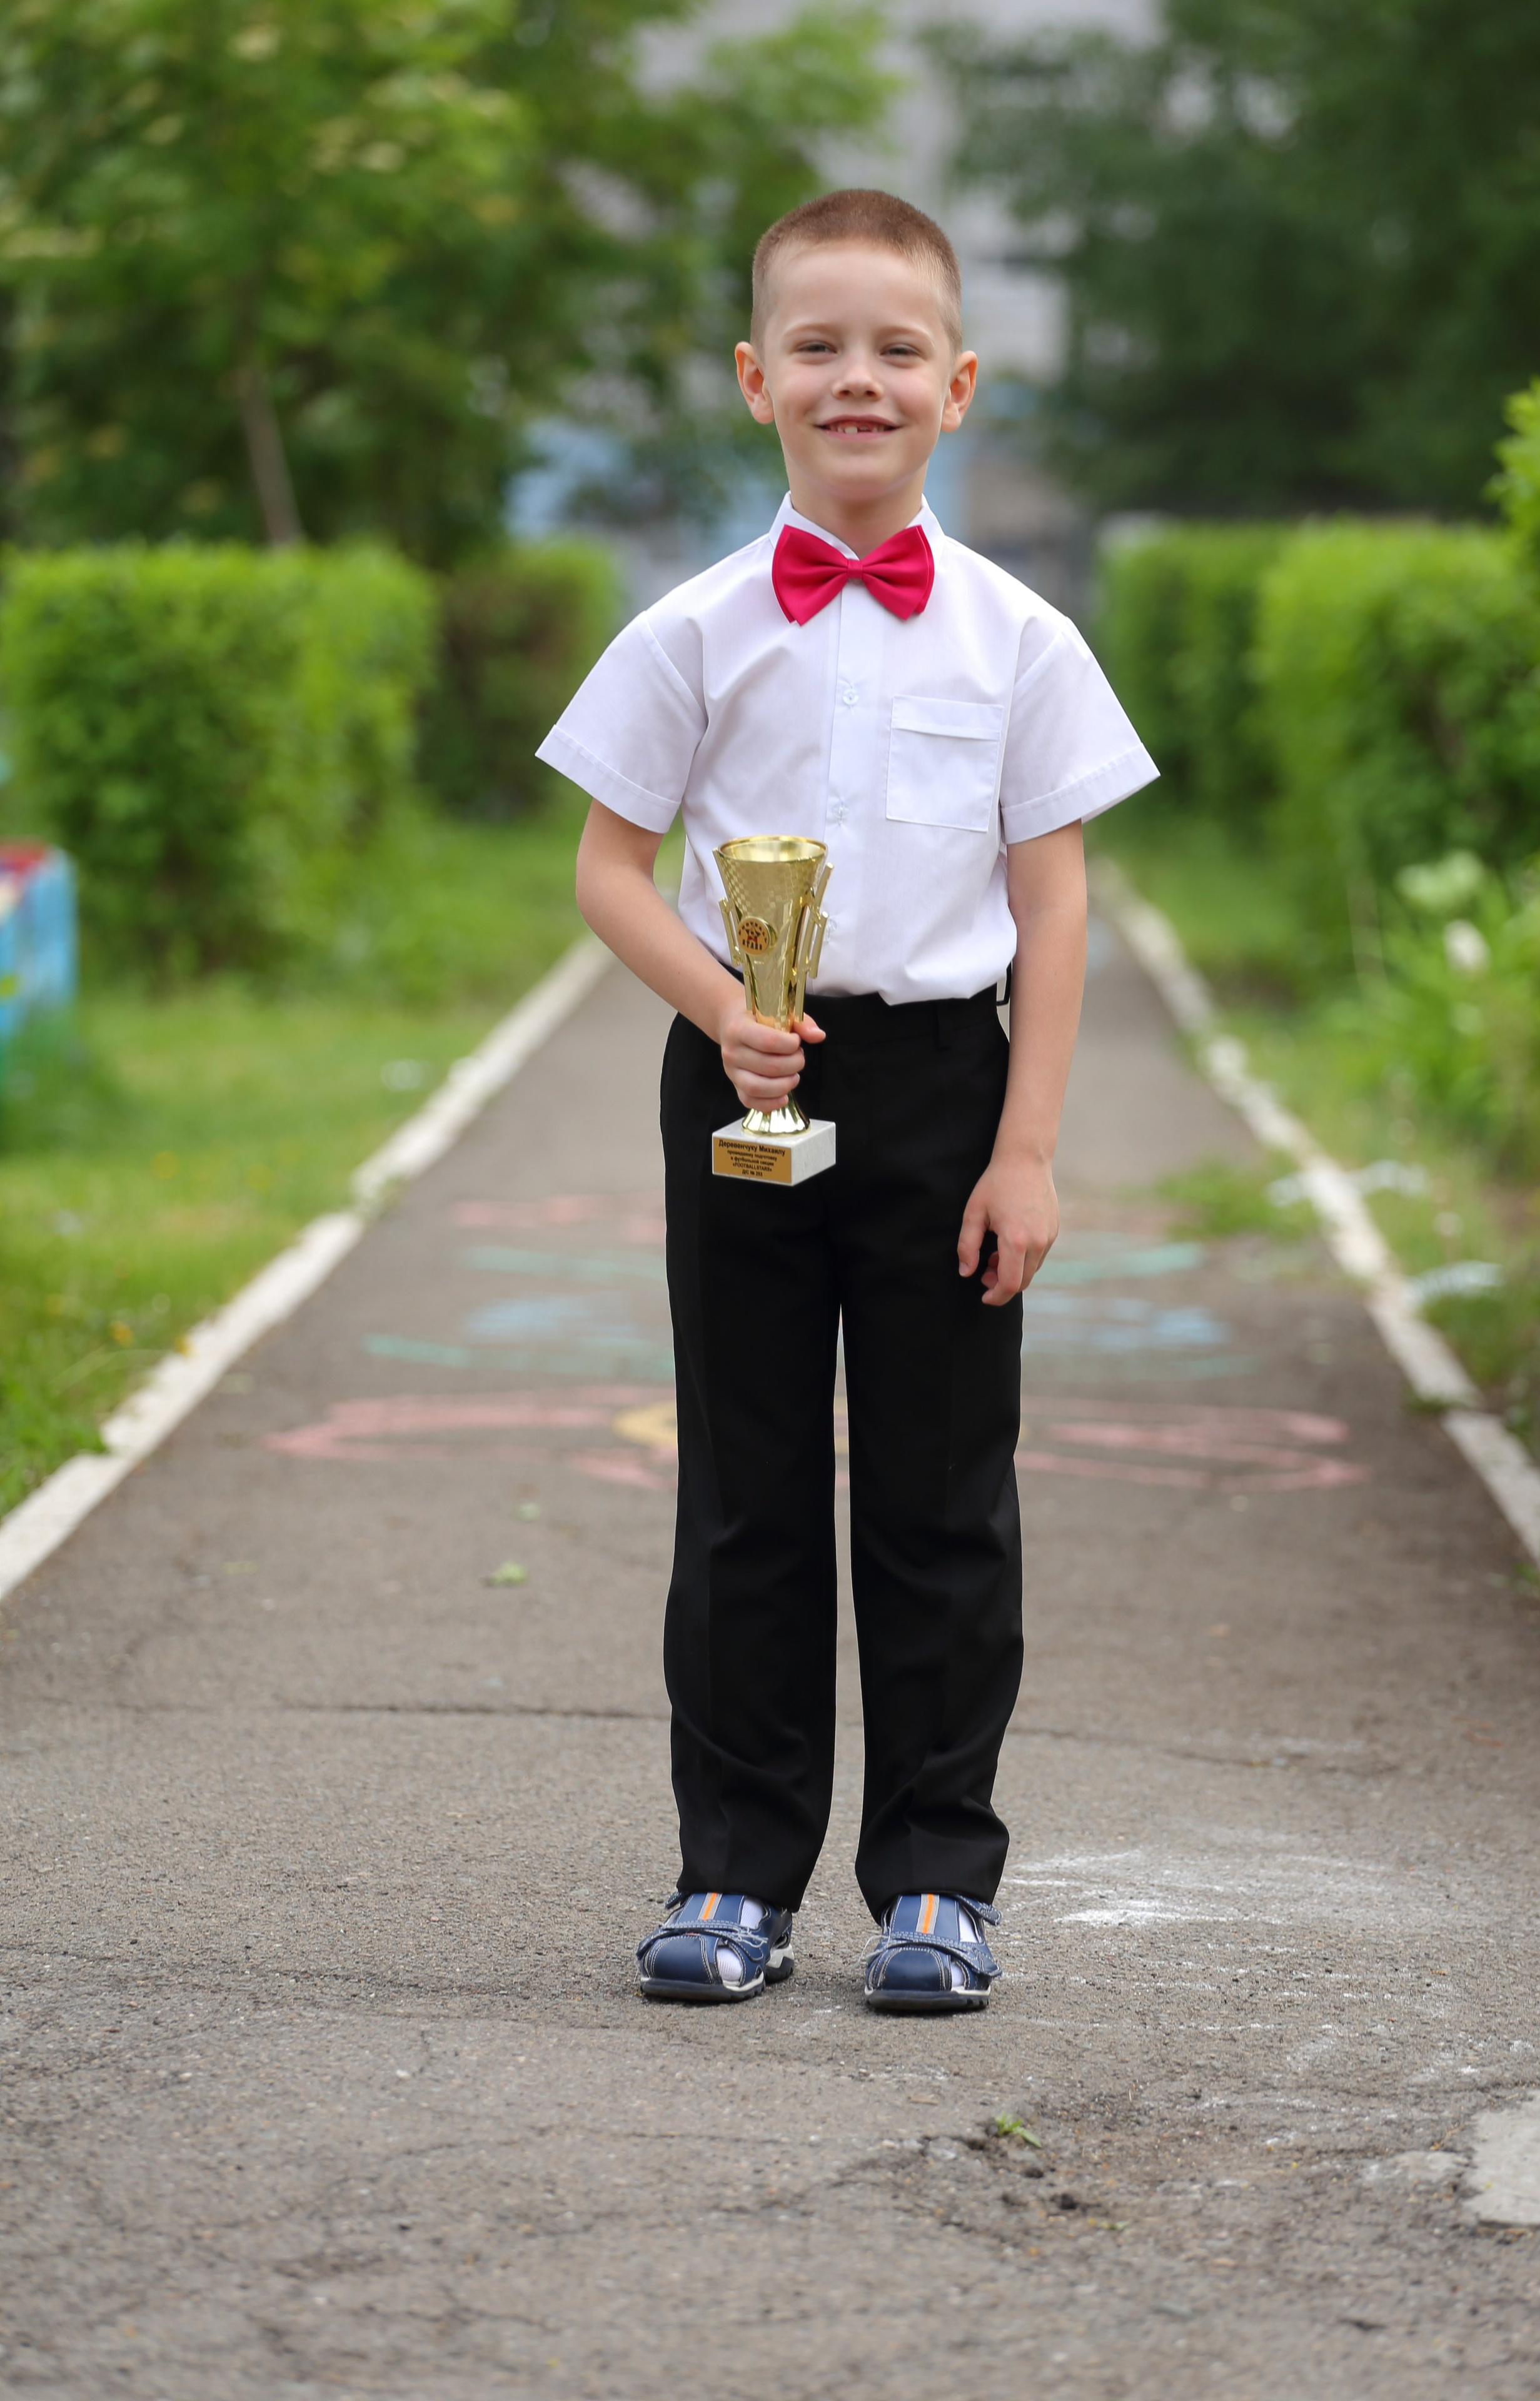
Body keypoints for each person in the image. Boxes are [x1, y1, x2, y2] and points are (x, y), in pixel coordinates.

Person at [541, 188, 1157, 2013]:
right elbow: (608, 868)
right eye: (819, 346)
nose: (857, 379)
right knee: (742, 1494)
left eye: (898, 350)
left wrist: (1027, 1149)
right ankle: (734, 1873)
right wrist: (728, 1004)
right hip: (743, 1077)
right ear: (757, 379)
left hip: (949, 1088)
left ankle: (940, 1882)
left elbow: (1055, 905)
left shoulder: (1022, 640)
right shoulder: (697, 629)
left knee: (941, 1494)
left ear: (959, 386)